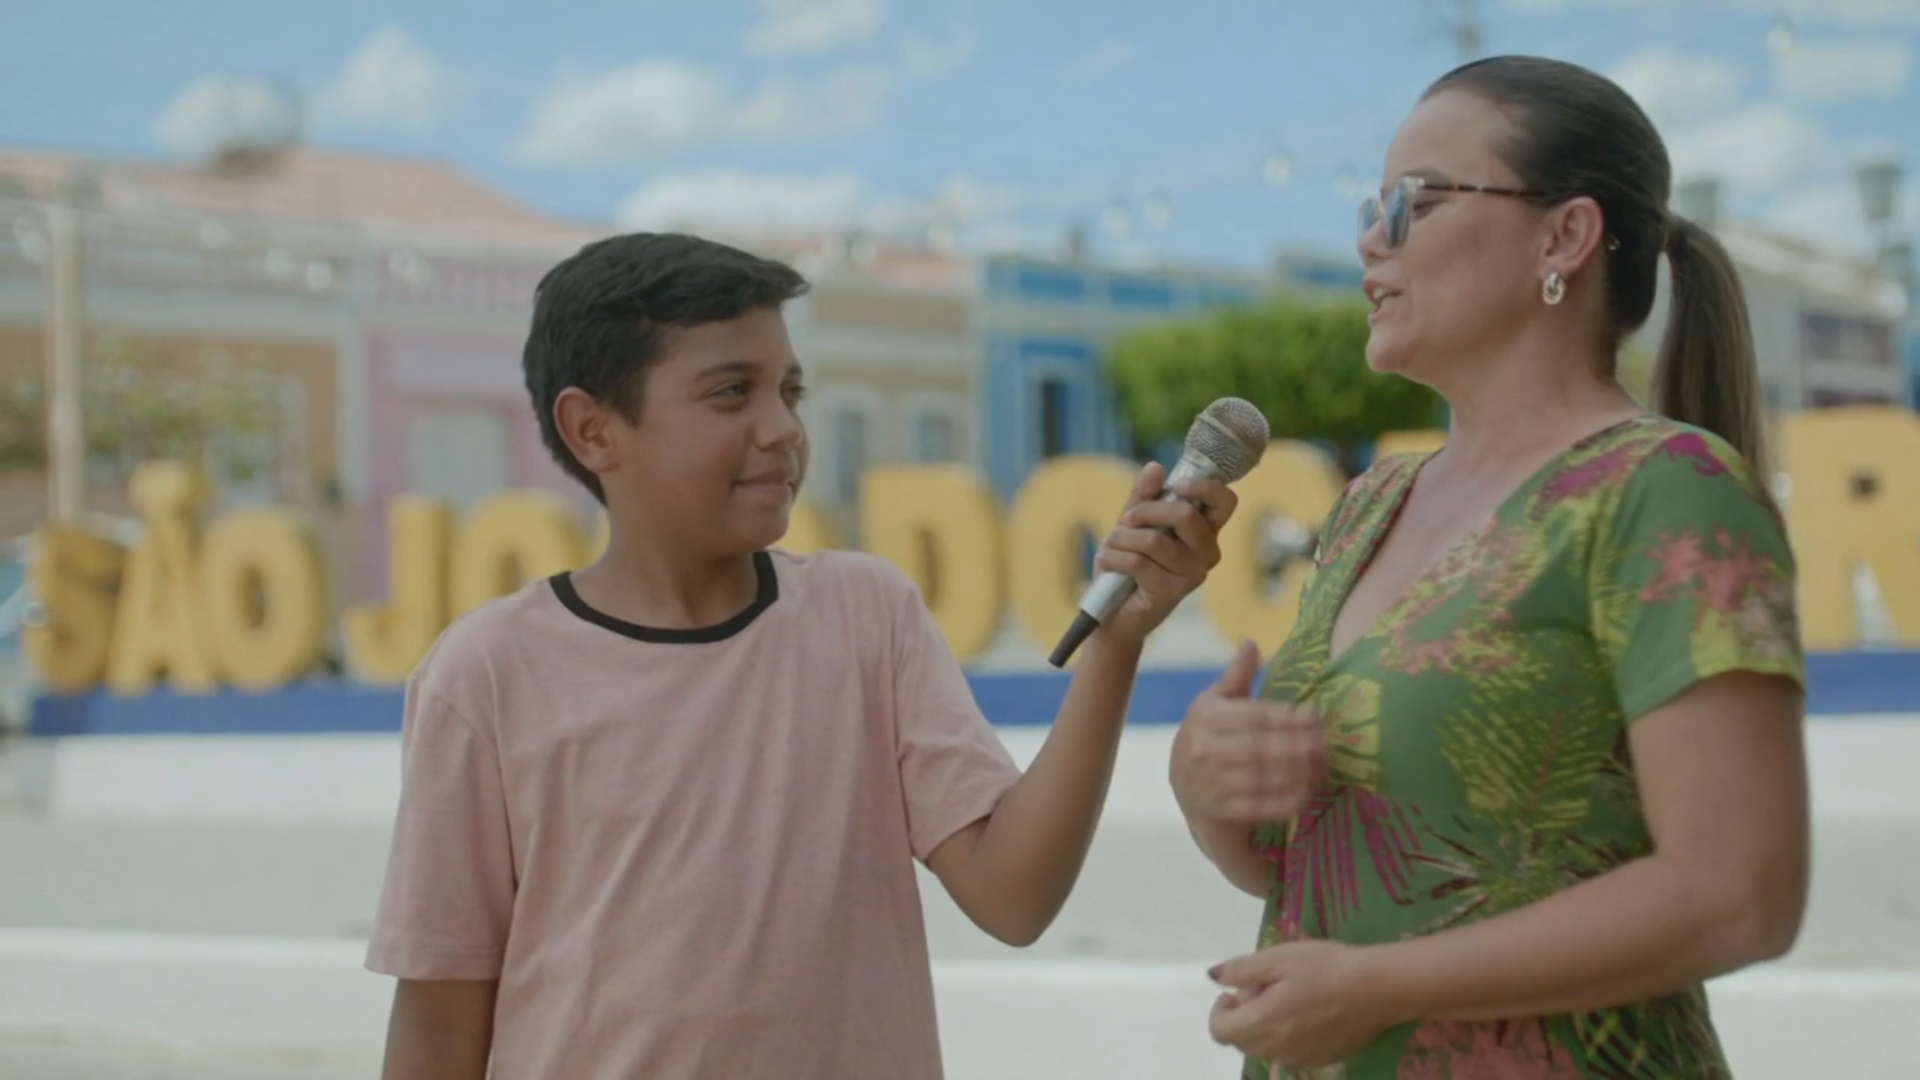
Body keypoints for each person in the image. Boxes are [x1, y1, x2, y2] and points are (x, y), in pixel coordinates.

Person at [363, 231, 1239, 1078]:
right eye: (731, 393)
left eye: (790, 391)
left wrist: (1117, 643)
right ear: (592, 429)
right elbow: (441, 1025)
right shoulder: (485, 675)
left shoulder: (867, 618)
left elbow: (1014, 897)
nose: (782, 427)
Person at [1169, 55, 1808, 1078]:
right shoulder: (1372, 505)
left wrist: (1381, 990)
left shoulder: (1665, 488)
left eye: (1415, 202)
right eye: (1374, 207)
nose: (1371, 238)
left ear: (1565, 237)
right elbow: (1336, 872)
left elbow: (1741, 893)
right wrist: (1208, 793)